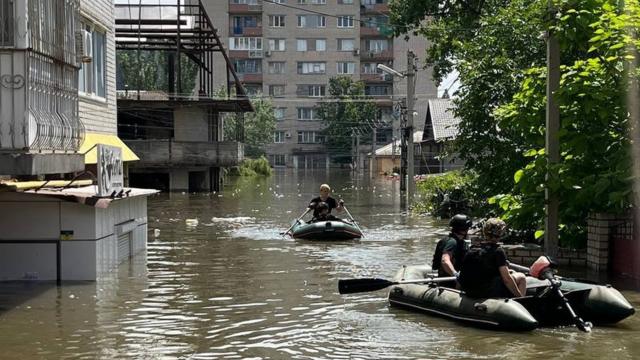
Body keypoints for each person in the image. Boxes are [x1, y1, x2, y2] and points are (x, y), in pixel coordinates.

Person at [458, 218, 527, 298]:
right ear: (500, 234)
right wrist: (519, 296)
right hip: (487, 291)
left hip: (471, 291)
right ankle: (521, 301)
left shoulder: (472, 249)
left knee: (511, 272)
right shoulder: (498, 251)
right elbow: (506, 279)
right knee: (521, 277)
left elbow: (463, 274)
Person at [431, 214, 472, 281]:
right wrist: (455, 274)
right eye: (468, 228)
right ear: (464, 229)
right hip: (449, 281)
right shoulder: (452, 242)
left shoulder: (458, 242)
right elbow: (445, 260)